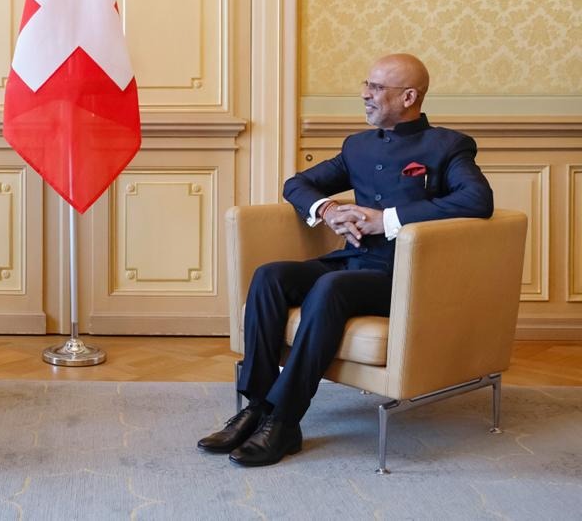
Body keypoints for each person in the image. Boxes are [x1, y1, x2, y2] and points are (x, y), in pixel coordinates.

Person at [198, 53, 493, 467]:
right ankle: (258, 406)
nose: (365, 94)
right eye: (366, 85)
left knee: (330, 286)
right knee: (269, 277)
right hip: (352, 261)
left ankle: (284, 420)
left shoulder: (447, 146)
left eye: (376, 87)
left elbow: (477, 200)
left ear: (409, 97)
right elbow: (297, 184)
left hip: (404, 275)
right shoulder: (358, 146)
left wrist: (385, 219)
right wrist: (328, 210)